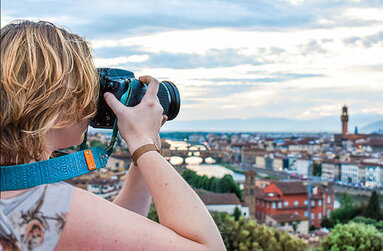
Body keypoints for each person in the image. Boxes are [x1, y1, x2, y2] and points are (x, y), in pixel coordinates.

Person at [0, 20, 226, 250]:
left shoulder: (18, 196)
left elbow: (114, 230)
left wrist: (144, 149)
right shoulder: (46, 209)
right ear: (57, 101)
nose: (91, 103)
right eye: (86, 88)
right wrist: (142, 142)